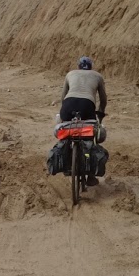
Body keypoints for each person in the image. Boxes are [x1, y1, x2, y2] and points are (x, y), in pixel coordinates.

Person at [58, 56, 108, 185]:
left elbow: (63, 96)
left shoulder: (70, 74)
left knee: (66, 132)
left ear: (78, 66)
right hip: (87, 105)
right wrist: (101, 112)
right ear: (91, 66)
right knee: (89, 135)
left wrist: (64, 114)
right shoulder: (97, 76)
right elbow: (103, 98)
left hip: (68, 104)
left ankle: (66, 162)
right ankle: (90, 175)